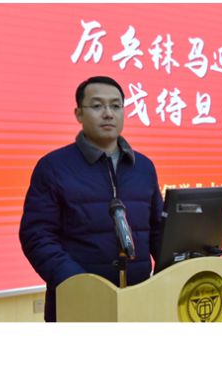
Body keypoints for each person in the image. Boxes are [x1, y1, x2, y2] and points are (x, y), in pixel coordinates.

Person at [19, 76, 165, 322]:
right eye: (97, 106)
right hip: (78, 301)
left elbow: (158, 230)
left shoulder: (143, 167)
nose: (108, 113)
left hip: (139, 299)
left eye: (116, 106)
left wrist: (180, 266)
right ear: (79, 114)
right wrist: (75, 281)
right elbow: (37, 235)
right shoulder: (54, 167)